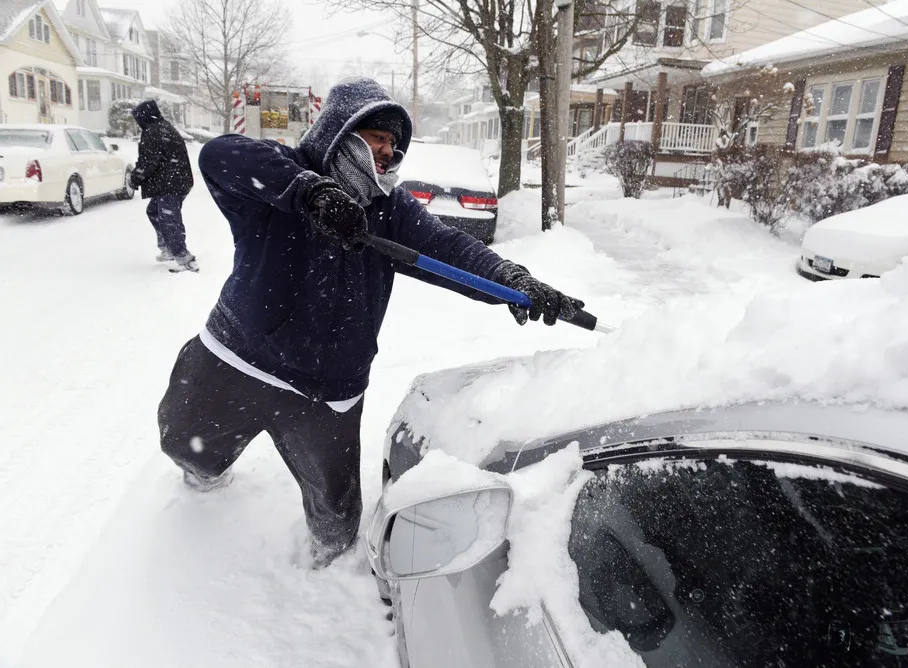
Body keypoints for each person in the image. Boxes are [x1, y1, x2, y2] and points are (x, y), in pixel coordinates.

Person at [157, 77, 584, 568]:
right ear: (341, 129)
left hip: (325, 391)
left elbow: (449, 249)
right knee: (187, 447)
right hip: (235, 358)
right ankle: (204, 485)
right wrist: (311, 194)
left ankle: (328, 568)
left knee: (336, 518)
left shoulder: (388, 208)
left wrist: (513, 279)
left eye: (393, 144)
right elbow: (219, 155)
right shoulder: (284, 178)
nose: (388, 151)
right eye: (377, 137)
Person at [130, 100, 197, 272]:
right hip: (175, 181)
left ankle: (183, 257)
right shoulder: (161, 127)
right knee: (155, 212)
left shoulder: (154, 131)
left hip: (170, 183)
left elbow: (148, 161)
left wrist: (135, 178)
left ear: (143, 117)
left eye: (137, 118)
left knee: (169, 219)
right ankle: (169, 248)